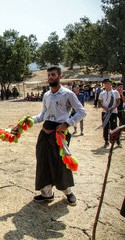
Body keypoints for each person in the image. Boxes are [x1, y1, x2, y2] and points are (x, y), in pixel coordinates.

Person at [24, 66, 86, 206]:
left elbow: (82, 112)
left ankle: (68, 192)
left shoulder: (68, 94)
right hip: (45, 134)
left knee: (61, 163)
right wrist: (31, 119)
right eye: (49, 75)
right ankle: (47, 194)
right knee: (43, 162)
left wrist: (68, 123)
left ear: (60, 77)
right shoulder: (46, 95)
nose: (50, 77)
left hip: (59, 135)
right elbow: (43, 115)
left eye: (53, 75)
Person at [98, 78, 121, 148]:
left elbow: (118, 101)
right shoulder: (102, 93)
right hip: (105, 112)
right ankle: (106, 141)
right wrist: (104, 108)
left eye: (108, 83)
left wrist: (115, 107)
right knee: (106, 126)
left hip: (113, 112)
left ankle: (117, 141)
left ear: (111, 84)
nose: (107, 85)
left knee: (114, 127)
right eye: (105, 84)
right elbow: (99, 103)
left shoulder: (115, 92)